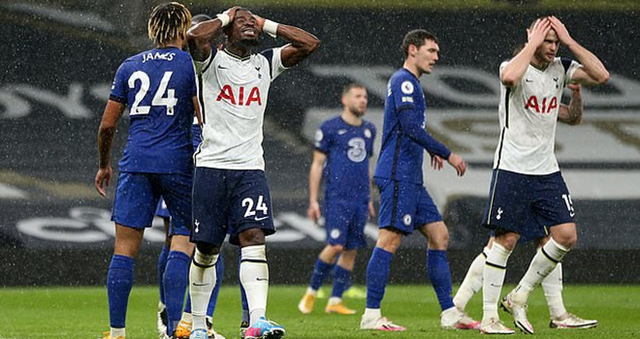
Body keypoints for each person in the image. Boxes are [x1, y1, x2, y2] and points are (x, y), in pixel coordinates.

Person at [186, 6, 320, 339]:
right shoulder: (210, 61)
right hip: (212, 167)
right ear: (227, 31)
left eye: (252, 24)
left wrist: (267, 23)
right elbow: (194, 36)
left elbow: (310, 44)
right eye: (241, 23)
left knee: (255, 240)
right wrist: (227, 16)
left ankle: (257, 321)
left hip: (250, 170)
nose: (249, 26)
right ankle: (199, 326)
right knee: (207, 249)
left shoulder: (265, 63)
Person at [478, 16, 609, 334]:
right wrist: (533, 43)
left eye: (555, 42)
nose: (552, 48)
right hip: (512, 167)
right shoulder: (513, 64)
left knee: (565, 235)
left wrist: (570, 40)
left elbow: (601, 75)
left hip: (547, 171)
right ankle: (488, 318)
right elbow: (509, 77)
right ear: (533, 37)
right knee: (505, 239)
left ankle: (519, 295)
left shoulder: (561, 69)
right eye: (547, 41)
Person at [359, 29, 478, 332]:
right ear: (413, 49)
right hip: (398, 173)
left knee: (439, 235)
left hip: (410, 176)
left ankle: (449, 312)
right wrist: (447, 153)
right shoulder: (404, 81)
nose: (436, 58)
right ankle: (371, 314)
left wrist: (427, 149)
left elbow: (410, 128)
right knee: (389, 239)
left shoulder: (411, 84)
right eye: (432, 51)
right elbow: (411, 126)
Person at [453, 83, 597, 330]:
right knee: (501, 242)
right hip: (514, 172)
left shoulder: (546, 96)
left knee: (545, 240)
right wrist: (534, 44)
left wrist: (576, 94)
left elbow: (572, 117)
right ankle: (460, 307)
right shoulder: (516, 86)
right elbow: (509, 75)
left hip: (541, 174)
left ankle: (557, 312)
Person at [94, 3, 196, 339]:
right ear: (184, 28)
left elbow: (108, 125)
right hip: (178, 162)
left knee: (124, 249)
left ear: (153, 30)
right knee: (182, 239)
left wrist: (104, 164)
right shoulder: (191, 64)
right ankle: (175, 328)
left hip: (136, 161)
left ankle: (117, 331)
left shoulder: (130, 65)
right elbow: (201, 114)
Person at [297, 83, 376, 316]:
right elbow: (317, 164)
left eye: (365, 96)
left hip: (360, 199)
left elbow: (366, 166)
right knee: (335, 245)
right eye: (358, 96)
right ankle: (311, 293)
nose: (363, 100)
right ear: (345, 100)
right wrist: (313, 200)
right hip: (337, 198)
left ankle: (335, 300)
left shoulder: (369, 129)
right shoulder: (330, 128)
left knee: (351, 248)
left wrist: (370, 197)